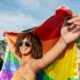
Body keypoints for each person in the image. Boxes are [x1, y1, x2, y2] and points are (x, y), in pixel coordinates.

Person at [5, 14, 80, 80]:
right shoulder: (22, 62)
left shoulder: (32, 65)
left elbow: (44, 61)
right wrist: (7, 36)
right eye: (21, 43)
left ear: (34, 46)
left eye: (27, 44)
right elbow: (13, 51)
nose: (23, 46)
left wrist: (63, 41)